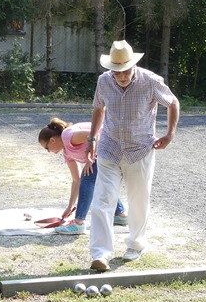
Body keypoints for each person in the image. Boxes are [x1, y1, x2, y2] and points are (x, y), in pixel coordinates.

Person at [86, 40, 180, 272]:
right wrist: (92, 139)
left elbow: (173, 103)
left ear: (133, 65)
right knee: (102, 201)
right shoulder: (103, 81)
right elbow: (98, 107)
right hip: (109, 148)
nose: (121, 76)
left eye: (125, 71)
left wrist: (170, 134)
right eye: (116, 72)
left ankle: (135, 245)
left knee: (138, 201)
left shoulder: (151, 81)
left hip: (140, 150)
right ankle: (100, 254)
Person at [38, 118, 128, 234]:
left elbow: (94, 135)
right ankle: (121, 214)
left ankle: (78, 223)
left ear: (52, 140)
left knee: (88, 177)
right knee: (96, 182)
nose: (48, 151)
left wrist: (92, 157)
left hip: (113, 143)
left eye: (46, 147)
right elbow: (76, 181)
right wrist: (70, 206)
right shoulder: (67, 153)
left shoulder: (67, 136)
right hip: (107, 149)